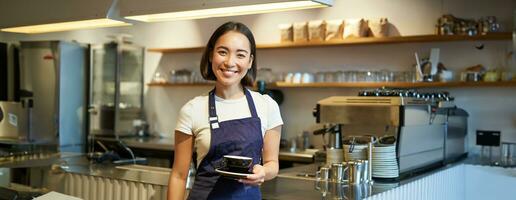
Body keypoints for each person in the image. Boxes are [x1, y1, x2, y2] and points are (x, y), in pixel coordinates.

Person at [167, 21, 283, 200]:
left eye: (240, 55)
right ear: (211, 55)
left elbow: (272, 164)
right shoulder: (192, 109)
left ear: (250, 61)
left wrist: (264, 172)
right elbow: (179, 176)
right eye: (223, 52)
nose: (230, 62)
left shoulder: (267, 105)